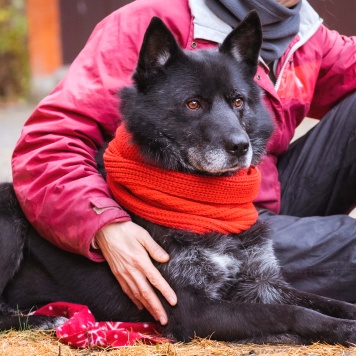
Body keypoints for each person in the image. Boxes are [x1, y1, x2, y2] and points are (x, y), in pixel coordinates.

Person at [12, 0, 356, 326]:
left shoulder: (309, 35)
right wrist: (104, 224)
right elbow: (48, 144)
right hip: (180, 218)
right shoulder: (147, 20)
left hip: (256, 198)